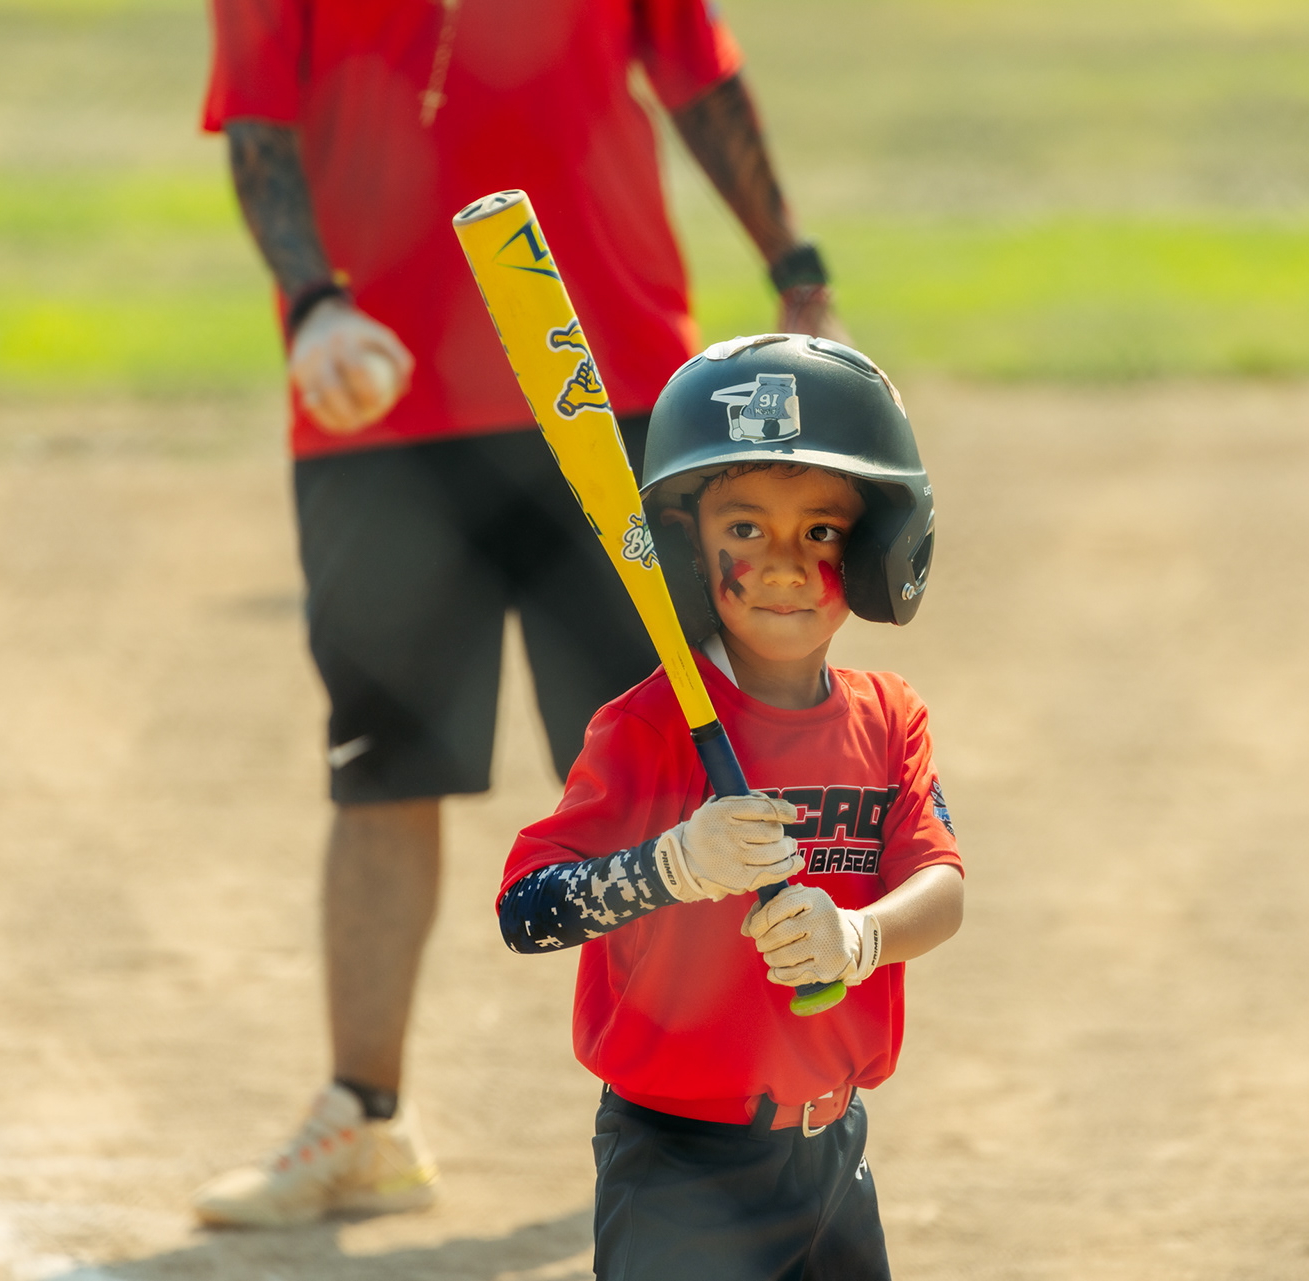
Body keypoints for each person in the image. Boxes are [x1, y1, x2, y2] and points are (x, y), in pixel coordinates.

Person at [191, 0, 848, 1228]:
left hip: (612, 382)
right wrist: (314, 302)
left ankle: (733, 1112)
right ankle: (367, 1122)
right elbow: (259, 127)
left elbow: (698, 75)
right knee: (383, 769)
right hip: (380, 401)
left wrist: (793, 267)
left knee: (667, 764)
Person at [496, 334, 962, 1280]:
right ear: (684, 547)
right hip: (680, 1167)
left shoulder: (889, 717)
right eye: (744, 529)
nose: (785, 564)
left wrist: (858, 938)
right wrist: (672, 865)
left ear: (876, 547)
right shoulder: (646, 728)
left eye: (821, 531)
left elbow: (941, 888)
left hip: (834, 1150)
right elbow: (526, 908)